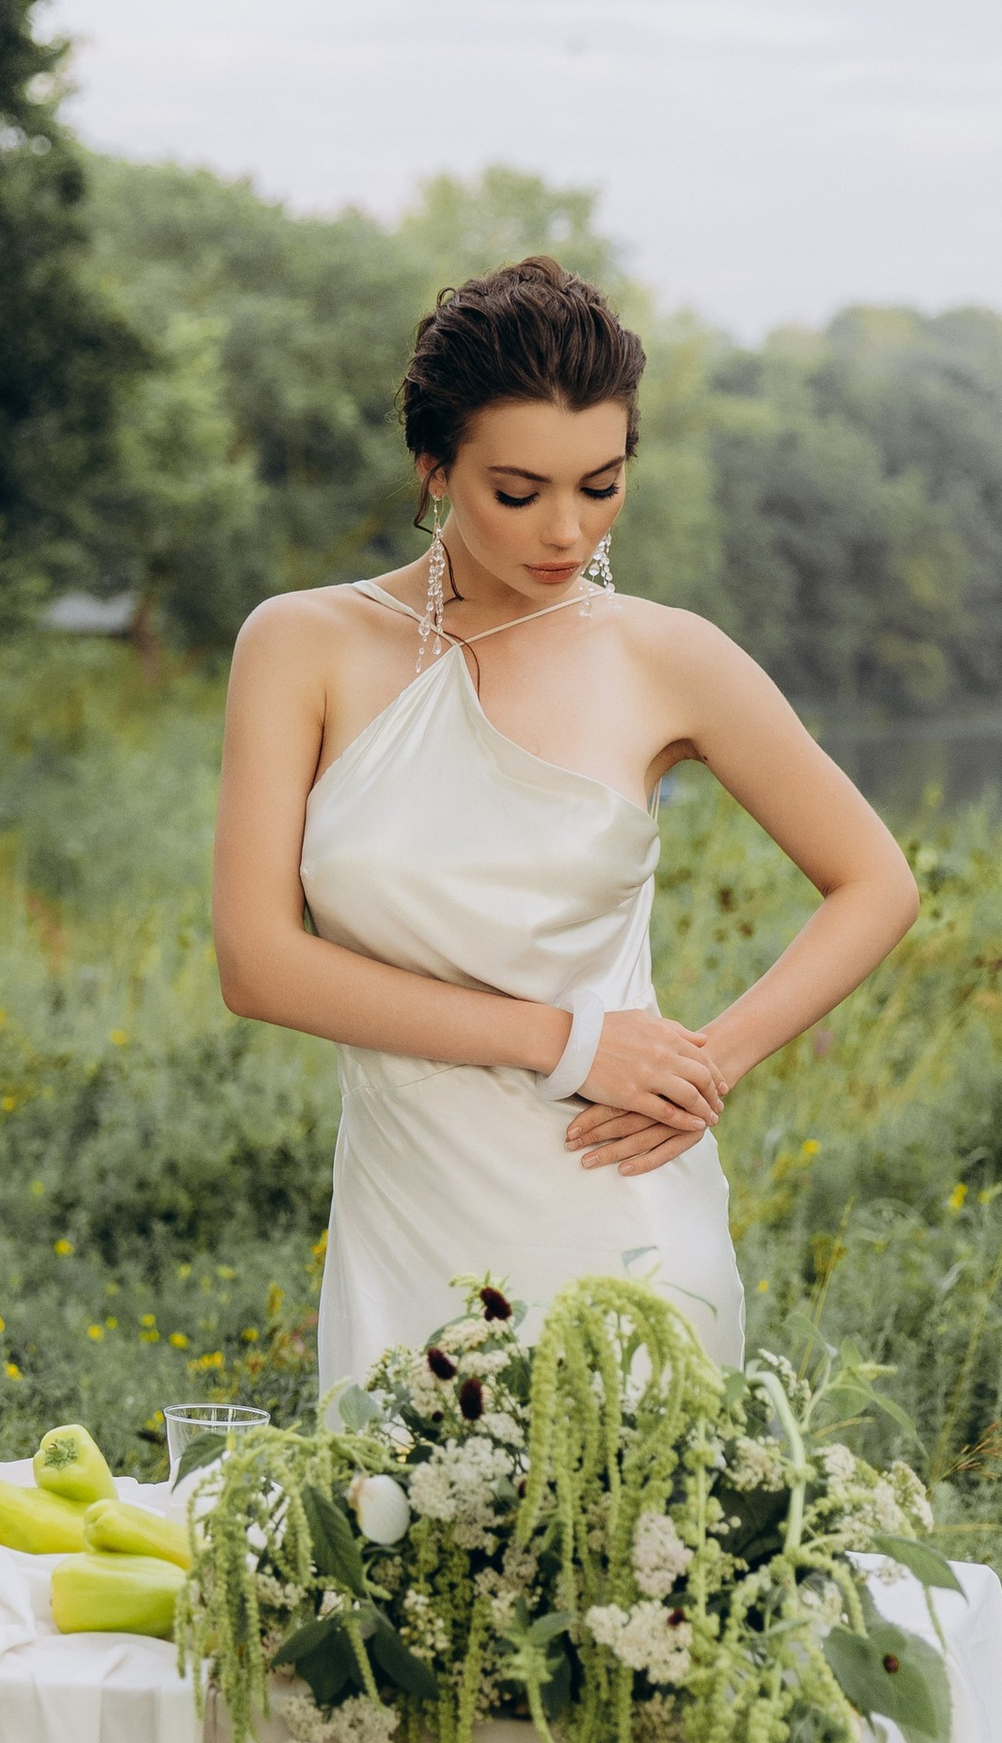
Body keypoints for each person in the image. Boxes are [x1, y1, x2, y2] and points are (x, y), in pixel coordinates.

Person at [212, 256, 922, 1388]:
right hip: (405, 1218)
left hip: (617, 1213)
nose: (563, 529)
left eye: (600, 484)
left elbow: (876, 883)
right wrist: (569, 1042)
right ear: (433, 466)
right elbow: (258, 965)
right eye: (518, 490)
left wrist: (708, 1065)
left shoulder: (667, 656)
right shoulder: (301, 644)